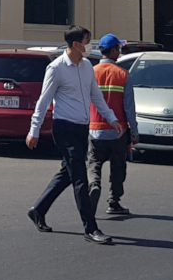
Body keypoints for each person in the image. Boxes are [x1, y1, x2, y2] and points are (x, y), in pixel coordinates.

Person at [27, 26, 125, 245]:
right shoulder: (56, 68)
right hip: (64, 129)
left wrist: (112, 119)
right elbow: (43, 101)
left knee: (67, 172)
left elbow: (96, 96)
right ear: (75, 44)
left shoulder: (87, 67)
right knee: (80, 176)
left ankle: (38, 209)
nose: (90, 45)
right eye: (87, 41)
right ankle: (90, 228)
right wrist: (34, 130)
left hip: (83, 128)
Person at [87, 34, 137, 219]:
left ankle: (94, 185)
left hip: (95, 129)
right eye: (119, 48)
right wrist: (135, 132)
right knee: (118, 167)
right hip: (119, 132)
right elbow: (129, 107)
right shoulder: (123, 74)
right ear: (114, 50)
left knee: (94, 163)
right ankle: (113, 202)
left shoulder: (91, 72)